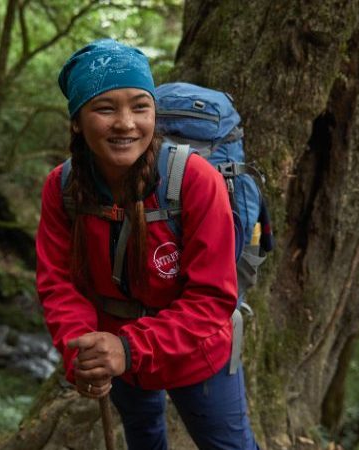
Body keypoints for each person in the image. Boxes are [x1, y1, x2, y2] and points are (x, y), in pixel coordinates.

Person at [36, 38, 259, 450]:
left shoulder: (194, 180)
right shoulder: (64, 187)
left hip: (197, 352)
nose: (126, 123)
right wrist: (82, 353)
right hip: (113, 353)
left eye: (140, 106)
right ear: (76, 121)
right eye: (105, 108)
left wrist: (128, 347)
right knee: (143, 440)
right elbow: (58, 283)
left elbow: (212, 298)